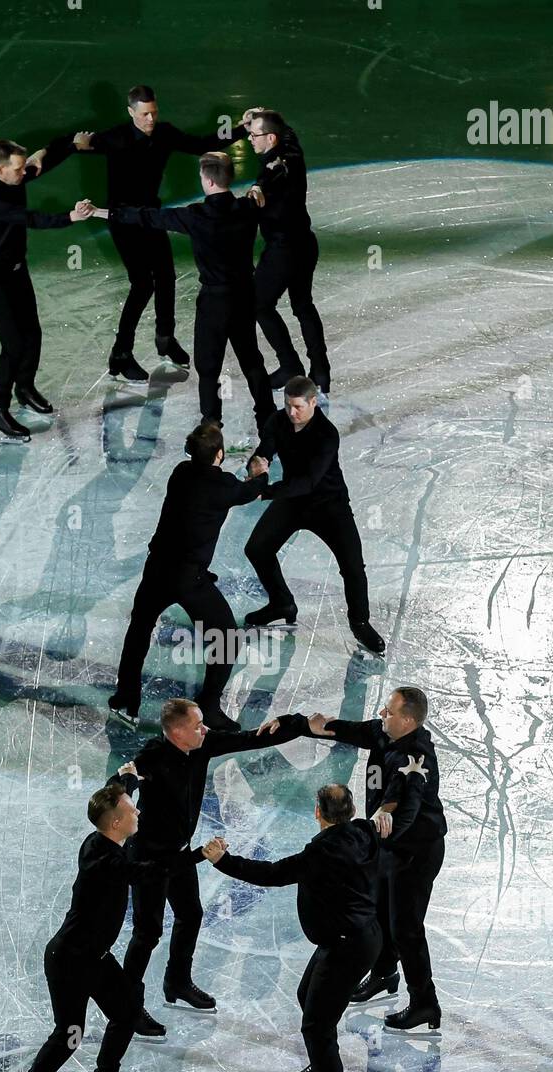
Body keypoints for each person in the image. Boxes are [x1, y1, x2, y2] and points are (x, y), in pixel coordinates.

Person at [202, 785, 391, 1072]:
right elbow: (379, 824)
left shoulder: (320, 852)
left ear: (317, 813)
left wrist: (222, 861)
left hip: (346, 947)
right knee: (307, 995)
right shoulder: (365, 831)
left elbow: (271, 874)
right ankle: (323, 1070)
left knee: (318, 1028)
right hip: (360, 937)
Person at [119, 698, 311, 1037]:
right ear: (178, 732)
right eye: (197, 725)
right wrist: (126, 782)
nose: (205, 729)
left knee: (191, 915)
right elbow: (120, 785)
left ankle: (177, 981)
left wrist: (294, 723)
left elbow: (251, 739)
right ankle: (127, 1006)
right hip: (148, 859)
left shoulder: (202, 745)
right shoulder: (153, 755)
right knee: (147, 933)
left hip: (179, 854)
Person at [80, 152, 276, 435]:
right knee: (252, 360)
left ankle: (211, 426)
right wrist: (258, 186)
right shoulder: (247, 207)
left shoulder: (196, 215)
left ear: (208, 181)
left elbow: (147, 217)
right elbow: (264, 185)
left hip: (214, 302)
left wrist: (100, 212)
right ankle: (268, 421)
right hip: (244, 295)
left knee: (208, 368)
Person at [74, 85, 247, 381]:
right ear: (131, 113)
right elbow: (76, 144)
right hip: (124, 220)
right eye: (144, 115)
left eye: (154, 112)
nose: (150, 120)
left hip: (152, 217)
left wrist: (242, 129)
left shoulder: (164, 133)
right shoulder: (115, 137)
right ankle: (120, 354)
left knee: (166, 276)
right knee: (142, 284)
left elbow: (201, 143)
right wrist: (72, 144)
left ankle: (165, 339)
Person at [108, 421, 269, 733]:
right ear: (219, 454)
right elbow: (248, 490)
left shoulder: (181, 473)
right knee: (226, 636)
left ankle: (125, 699)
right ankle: (208, 706)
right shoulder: (223, 487)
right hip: (188, 579)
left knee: (140, 628)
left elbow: (223, 484)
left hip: (157, 569)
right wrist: (260, 474)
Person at [17, 770, 152, 1072]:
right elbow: (151, 870)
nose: (137, 812)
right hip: (70, 962)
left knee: (127, 1011)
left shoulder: (101, 839)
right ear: (117, 822)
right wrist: (200, 855)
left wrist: (127, 782)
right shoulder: (108, 862)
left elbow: (116, 796)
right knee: (70, 1034)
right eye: (131, 809)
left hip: (95, 958)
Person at [314, 687, 447, 1030]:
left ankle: (424, 1003)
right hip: (388, 847)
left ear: (407, 720)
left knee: (406, 928)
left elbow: (406, 809)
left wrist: (370, 835)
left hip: (416, 852)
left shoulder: (416, 759)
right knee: (379, 911)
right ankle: (384, 974)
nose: (381, 714)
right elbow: (351, 730)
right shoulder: (385, 731)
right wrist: (301, 723)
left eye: (388, 711)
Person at [242, 377, 386, 654]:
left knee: (353, 566)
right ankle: (281, 603)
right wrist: (257, 465)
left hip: (328, 504)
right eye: (287, 405)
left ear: (312, 402)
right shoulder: (277, 420)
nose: (291, 412)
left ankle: (360, 621)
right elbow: (264, 452)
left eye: (297, 407)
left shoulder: (327, 434)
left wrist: (267, 492)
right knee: (257, 548)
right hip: (292, 501)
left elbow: (309, 481)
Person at [0, 137, 88, 441]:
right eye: (17, 169)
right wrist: (71, 217)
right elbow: (31, 218)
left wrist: (72, 145)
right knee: (13, 343)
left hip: (16, 269)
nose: (22, 173)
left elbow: (41, 161)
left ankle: (24, 387)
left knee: (32, 332)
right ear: (0, 170)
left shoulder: (16, 177)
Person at [244, 109, 331, 392]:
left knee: (257, 304)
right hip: (305, 244)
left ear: (270, 138)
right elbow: (287, 130)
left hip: (284, 250)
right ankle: (320, 368)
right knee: (302, 304)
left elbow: (275, 170)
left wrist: (258, 187)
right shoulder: (291, 145)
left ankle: (290, 365)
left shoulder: (277, 163)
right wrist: (257, 113)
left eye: (254, 135)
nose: (249, 139)